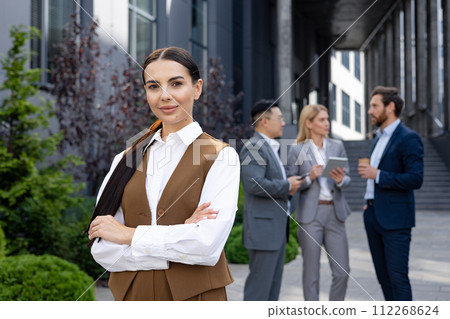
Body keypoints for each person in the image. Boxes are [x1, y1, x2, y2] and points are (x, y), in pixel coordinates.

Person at [88, 47, 240, 301]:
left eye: (176, 83)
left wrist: (129, 235)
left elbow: (206, 246)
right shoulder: (125, 159)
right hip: (134, 299)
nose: (164, 96)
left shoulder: (221, 156)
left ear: (197, 88)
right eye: (153, 86)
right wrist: (181, 235)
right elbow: (103, 248)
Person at [358, 86, 423, 301]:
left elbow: (415, 178)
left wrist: (378, 175)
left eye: (374, 106)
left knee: (397, 278)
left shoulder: (408, 138)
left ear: (391, 107)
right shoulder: (377, 139)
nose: (370, 111)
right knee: (383, 278)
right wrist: (369, 202)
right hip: (373, 216)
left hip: (396, 220)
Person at [286, 104, 351, 301]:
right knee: (311, 274)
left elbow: (348, 179)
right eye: (322, 120)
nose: (327, 123)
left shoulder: (337, 146)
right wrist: (309, 177)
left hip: (335, 214)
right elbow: (289, 185)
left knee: (342, 272)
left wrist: (340, 179)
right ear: (309, 123)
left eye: (327, 119)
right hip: (310, 217)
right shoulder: (297, 150)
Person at [240, 100, 303, 301]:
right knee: (259, 293)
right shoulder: (254, 147)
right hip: (264, 233)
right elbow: (254, 184)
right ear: (264, 122)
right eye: (280, 119)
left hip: (274, 231)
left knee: (272, 292)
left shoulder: (269, 148)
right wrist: (287, 186)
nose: (284, 123)